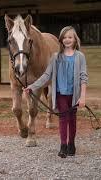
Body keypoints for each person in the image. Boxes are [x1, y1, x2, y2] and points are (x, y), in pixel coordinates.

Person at [24, 26, 88, 158]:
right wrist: (32, 86)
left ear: (75, 39)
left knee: (72, 119)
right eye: (64, 37)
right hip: (60, 94)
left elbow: (83, 78)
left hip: (74, 94)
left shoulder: (80, 57)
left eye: (70, 37)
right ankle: (63, 146)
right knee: (63, 118)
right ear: (61, 40)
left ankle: (72, 143)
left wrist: (82, 97)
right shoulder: (56, 57)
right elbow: (46, 76)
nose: (67, 40)